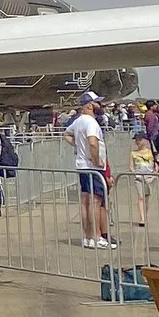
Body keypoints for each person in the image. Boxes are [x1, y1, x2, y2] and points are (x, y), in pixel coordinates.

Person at [66, 92, 112, 248]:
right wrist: (95, 159)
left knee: (85, 202)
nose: (100, 106)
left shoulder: (78, 121)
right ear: (91, 105)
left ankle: (87, 236)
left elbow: (66, 134)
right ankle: (97, 237)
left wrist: (78, 146)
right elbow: (93, 142)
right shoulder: (91, 122)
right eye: (98, 103)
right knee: (95, 202)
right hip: (92, 166)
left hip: (81, 165)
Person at [128, 131, 156, 228]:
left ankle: (145, 214)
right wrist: (135, 173)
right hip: (139, 178)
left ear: (144, 140)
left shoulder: (150, 152)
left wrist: (154, 174)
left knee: (147, 197)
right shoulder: (133, 153)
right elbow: (131, 166)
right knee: (141, 197)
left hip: (149, 177)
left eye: (139, 140)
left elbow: (156, 164)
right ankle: (142, 218)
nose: (137, 142)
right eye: (136, 140)